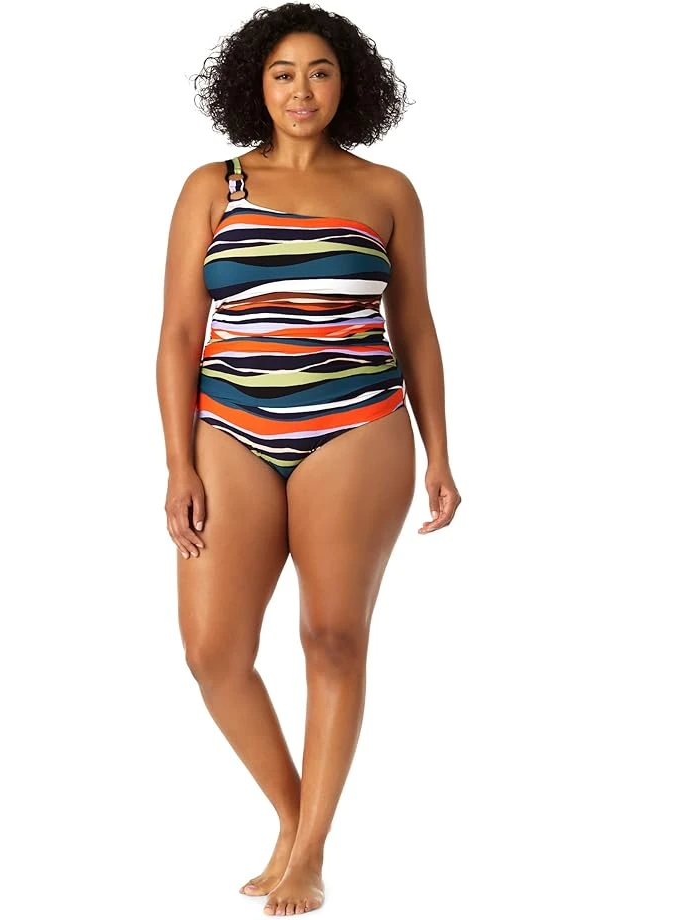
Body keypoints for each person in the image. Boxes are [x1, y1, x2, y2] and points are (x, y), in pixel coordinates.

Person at [155, 2, 461, 914]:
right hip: (230, 428)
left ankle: (310, 854)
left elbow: (415, 328)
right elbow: (178, 334)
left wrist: (440, 453)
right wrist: (177, 464)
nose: (301, 89)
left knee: (332, 636)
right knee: (213, 653)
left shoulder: (386, 189)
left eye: (320, 71)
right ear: (255, 83)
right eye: (283, 72)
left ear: (346, 85)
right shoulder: (213, 185)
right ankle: (296, 819)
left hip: (358, 426)